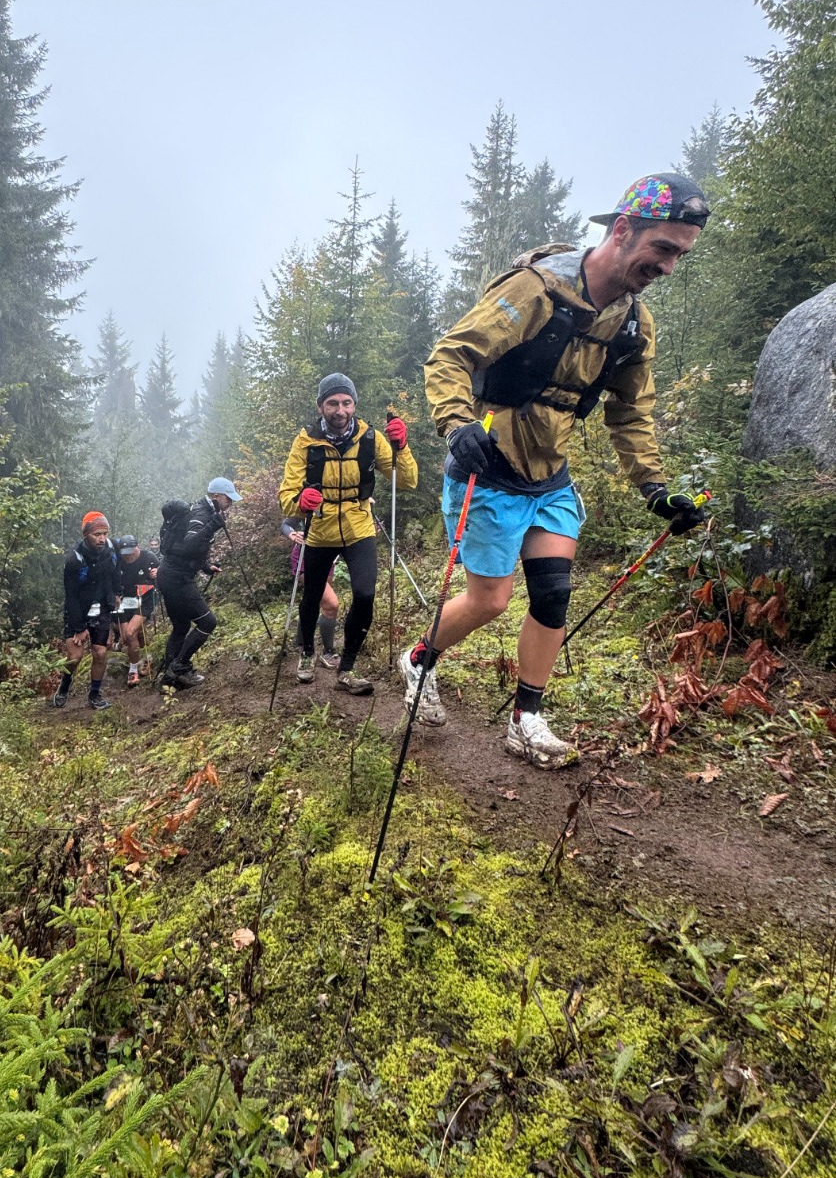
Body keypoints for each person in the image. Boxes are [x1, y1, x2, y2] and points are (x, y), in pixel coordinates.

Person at [399, 172, 710, 766]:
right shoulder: (535, 290)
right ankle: (419, 659)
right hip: (488, 467)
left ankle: (527, 720)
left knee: (553, 594)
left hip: (550, 479)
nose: (668, 266)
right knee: (489, 601)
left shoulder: (633, 326)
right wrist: (457, 425)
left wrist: (655, 488)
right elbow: (452, 355)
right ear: (623, 229)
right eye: (663, 249)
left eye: (680, 255)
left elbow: (632, 413)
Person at [278, 374, 417, 693]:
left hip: (358, 527)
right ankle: (308, 653)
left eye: (346, 402)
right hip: (321, 530)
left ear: (353, 404)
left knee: (366, 594)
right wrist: (300, 501)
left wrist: (402, 447)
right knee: (312, 597)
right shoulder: (306, 441)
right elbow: (286, 493)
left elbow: (406, 480)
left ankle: (347, 668)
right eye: (332, 403)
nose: (340, 410)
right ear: (320, 406)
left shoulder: (371, 438)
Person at [156, 477, 240, 688]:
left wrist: (205, 565)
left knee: (181, 627)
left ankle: (170, 677)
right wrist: (212, 526)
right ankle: (179, 667)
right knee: (207, 622)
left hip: (170, 575)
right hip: (177, 580)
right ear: (217, 496)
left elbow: (183, 550)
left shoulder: (201, 510)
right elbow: (189, 545)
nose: (230, 504)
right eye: (228, 500)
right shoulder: (202, 514)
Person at [53, 511, 118, 710]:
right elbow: (70, 595)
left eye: (105, 533)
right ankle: (64, 686)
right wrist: (79, 627)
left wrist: (117, 593)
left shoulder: (111, 549)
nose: (102, 539)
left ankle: (95, 694)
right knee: (75, 656)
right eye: (97, 534)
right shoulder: (75, 559)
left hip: (102, 608)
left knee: (100, 653)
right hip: (78, 609)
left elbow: (116, 571)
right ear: (86, 535)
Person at [281, 519, 340, 667]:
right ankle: (328, 652)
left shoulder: (344, 500)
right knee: (331, 604)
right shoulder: (313, 499)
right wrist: (292, 534)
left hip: (329, 558)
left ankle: (301, 641)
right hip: (305, 557)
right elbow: (285, 524)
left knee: (313, 599)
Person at [112, 534, 159, 687]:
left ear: (137, 547)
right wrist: (115, 594)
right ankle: (146, 657)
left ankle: (133, 670)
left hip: (144, 600)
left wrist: (157, 573)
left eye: (132, 551)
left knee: (130, 632)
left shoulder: (148, 557)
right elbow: (114, 580)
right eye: (126, 553)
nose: (129, 556)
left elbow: (162, 570)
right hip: (125, 601)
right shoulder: (118, 561)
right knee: (129, 637)